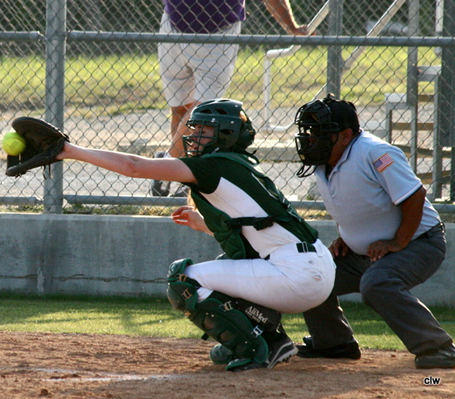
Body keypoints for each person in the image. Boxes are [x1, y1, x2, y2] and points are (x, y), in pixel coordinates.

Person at [55, 98, 336, 371]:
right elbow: (251, 227)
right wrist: (202, 222)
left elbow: (134, 167)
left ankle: (260, 346)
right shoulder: (241, 163)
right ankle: (266, 339)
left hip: (296, 275)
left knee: (183, 280)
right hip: (314, 267)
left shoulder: (215, 165)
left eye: (205, 130)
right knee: (226, 261)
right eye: (196, 129)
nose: (195, 136)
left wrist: (68, 150)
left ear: (227, 133)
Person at [293, 93, 455, 369]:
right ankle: (334, 344)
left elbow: (415, 196)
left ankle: (441, 348)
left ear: (345, 135)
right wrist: (347, 237)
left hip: (419, 242)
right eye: (309, 132)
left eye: (320, 132)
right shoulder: (324, 161)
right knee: (310, 274)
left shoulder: (376, 153)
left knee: (377, 283)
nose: (311, 139)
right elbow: (359, 203)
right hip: (365, 253)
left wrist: (399, 240)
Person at [153, 0, 310, 197]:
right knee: (179, 109)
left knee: (203, 112)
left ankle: (175, 168)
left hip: (218, 33)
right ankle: (176, 170)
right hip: (173, 25)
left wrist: (291, 26)